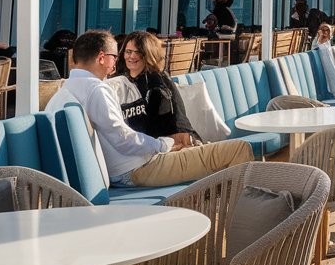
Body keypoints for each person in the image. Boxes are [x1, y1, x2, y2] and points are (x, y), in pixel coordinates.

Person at [50, 30, 251, 188]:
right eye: (116, 55)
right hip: (137, 169)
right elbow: (122, 139)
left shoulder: (64, 92)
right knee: (239, 149)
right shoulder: (96, 90)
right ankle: (246, 224)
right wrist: (163, 144)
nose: (117, 62)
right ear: (102, 57)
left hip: (130, 166)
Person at [113, 32, 197, 141]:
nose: (132, 56)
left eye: (138, 52)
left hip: (174, 143)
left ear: (149, 54)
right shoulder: (125, 81)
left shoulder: (156, 82)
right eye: (128, 52)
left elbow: (165, 125)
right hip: (154, 146)